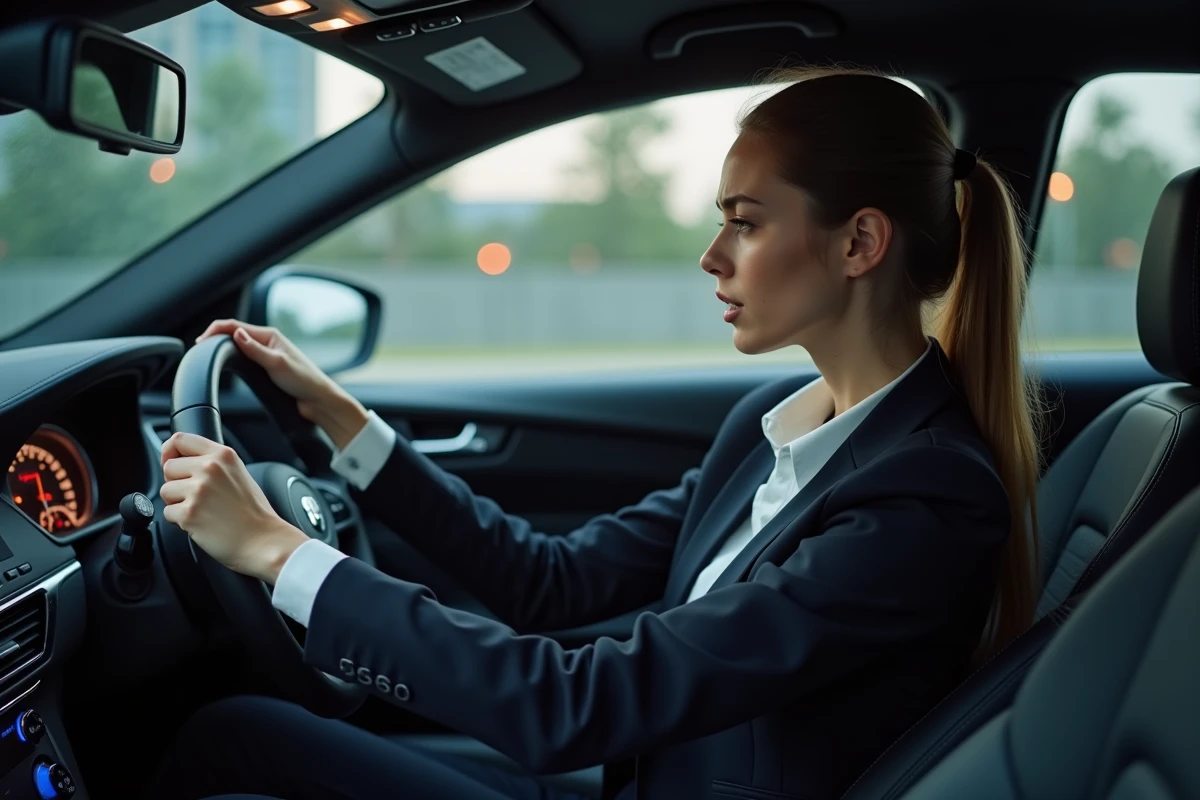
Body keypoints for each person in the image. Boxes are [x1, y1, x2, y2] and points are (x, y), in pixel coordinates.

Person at [149, 67, 1042, 800]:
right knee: (236, 733)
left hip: (622, 760)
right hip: (630, 777)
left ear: (859, 244)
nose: (712, 254)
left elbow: (581, 704)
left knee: (229, 758)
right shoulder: (774, 425)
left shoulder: (924, 500)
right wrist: (341, 418)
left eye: (746, 221)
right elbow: (549, 582)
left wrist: (278, 552)